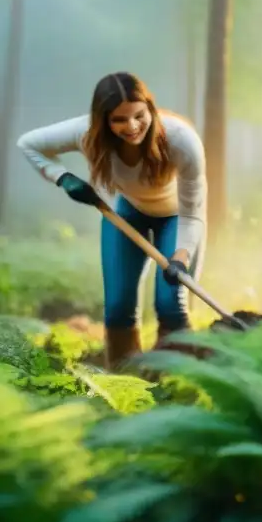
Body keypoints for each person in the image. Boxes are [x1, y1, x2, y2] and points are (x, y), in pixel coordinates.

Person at [17, 72, 207, 370]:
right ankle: (125, 380)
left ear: (150, 109)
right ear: (103, 120)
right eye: (119, 119)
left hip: (178, 218)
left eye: (139, 116)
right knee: (118, 306)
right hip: (127, 213)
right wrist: (62, 177)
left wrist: (180, 258)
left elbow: (193, 211)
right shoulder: (85, 132)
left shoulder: (181, 140)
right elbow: (29, 144)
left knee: (170, 303)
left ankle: (175, 381)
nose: (131, 127)